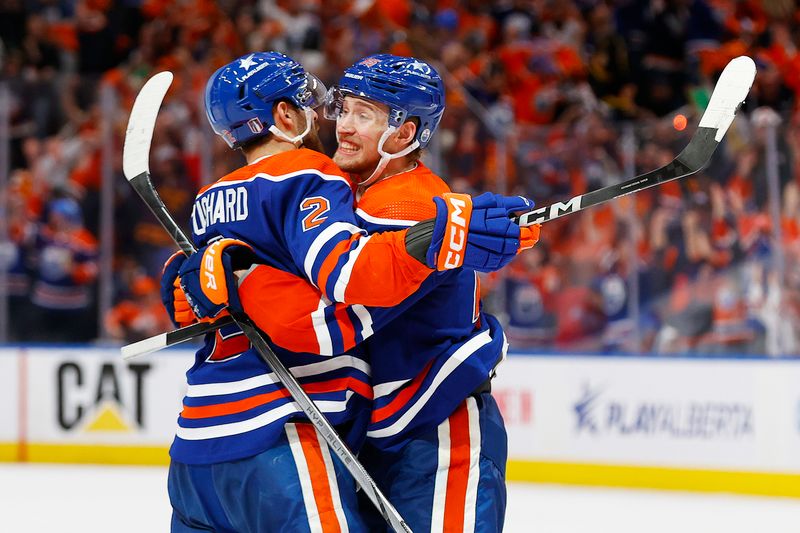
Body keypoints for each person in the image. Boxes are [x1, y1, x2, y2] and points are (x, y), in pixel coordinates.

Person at [160, 51, 537, 532]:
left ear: (403, 134)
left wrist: (238, 279)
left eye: (365, 115)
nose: (344, 127)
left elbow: (345, 298)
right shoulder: (337, 192)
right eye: (344, 109)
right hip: (372, 438)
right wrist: (188, 274)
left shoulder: (410, 199)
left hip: (435, 427)